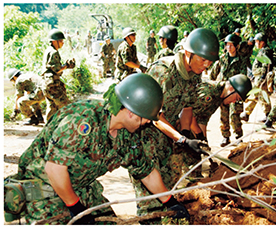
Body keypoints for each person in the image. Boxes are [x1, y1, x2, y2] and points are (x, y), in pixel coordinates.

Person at [4, 73, 189, 225]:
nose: (149, 122)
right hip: (44, 190)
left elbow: (146, 172)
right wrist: (76, 208)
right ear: (131, 112)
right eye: (146, 117)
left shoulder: (128, 135)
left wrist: (170, 202)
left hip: (80, 187)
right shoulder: (83, 120)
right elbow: (54, 169)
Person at [131, 28, 220, 223]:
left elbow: (187, 107)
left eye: (210, 62)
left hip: (168, 136)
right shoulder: (162, 71)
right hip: (143, 139)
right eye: (203, 60)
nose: (207, 65)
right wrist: (181, 138)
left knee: (170, 191)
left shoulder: (194, 74)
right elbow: (154, 116)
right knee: (150, 201)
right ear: (188, 53)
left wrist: (191, 134)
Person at [210, 33, 249, 147]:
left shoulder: (241, 60)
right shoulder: (222, 59)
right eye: (227, 45)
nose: (229, 48)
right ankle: (225, 137)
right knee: (224, 114)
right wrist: (213, 85)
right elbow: (214, 72)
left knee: (235, 114)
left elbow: (243, 76)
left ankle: (238, 137)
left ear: (236, 46)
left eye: (231, 45)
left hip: (236, 92)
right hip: (223, 91)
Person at [192, 74, 253, 139]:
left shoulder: (220, 96)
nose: (234, 101)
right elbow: (188, 115)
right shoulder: (209, 92)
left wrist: (203, 140)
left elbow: (202, 119)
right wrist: (200, 136)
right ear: (231, 88)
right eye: (237, 98)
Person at [41, 29, 75, 121]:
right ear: (54, 41)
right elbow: (56, 69)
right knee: (67, 106)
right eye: (61, 41)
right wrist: (67, 66)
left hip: (46, 83)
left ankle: (48, 129)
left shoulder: (48, 50)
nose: (62, 43)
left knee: (52, 108)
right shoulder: (54, 52)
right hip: (53, 84)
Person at [241, 32, 274, 122]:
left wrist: (263, 77)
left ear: (262, 42)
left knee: (262, 95)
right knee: (256, 95)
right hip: (259, 77)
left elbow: (265, 65)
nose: (255, 43)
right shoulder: (263, 50)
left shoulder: (265, 51)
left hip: (261, 77)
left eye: (256, 41)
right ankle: (246, 114)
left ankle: (268, 116)